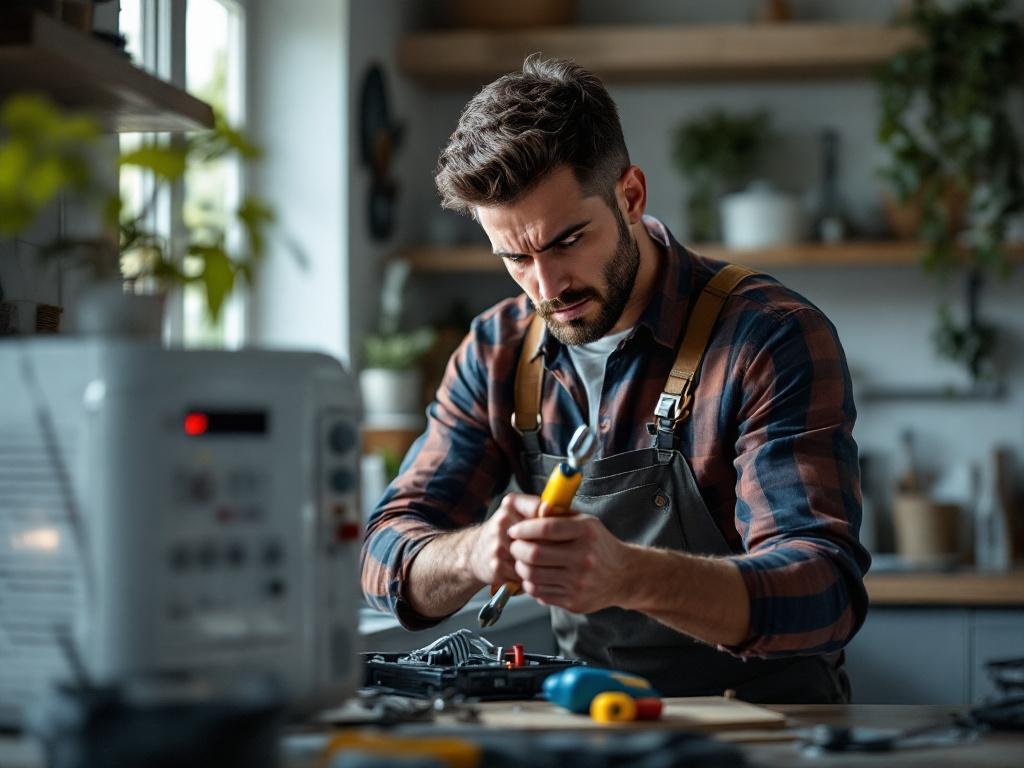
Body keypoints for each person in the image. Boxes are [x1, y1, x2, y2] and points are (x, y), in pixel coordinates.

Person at [361, 55, 870, 704]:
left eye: (568, 240)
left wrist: (629, 575)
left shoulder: (768, 336)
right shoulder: (498, 349)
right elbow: (382, 552)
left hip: (768, 731)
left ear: (630, 195)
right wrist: (473, 554)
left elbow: (824, 589)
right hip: (593, 722)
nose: (546, 287)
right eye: (515, 257)